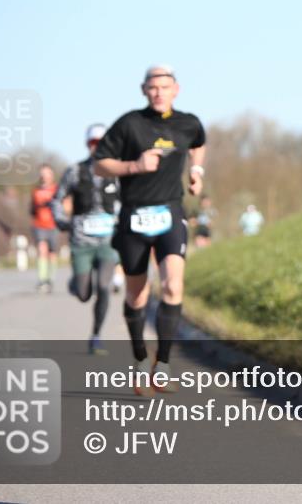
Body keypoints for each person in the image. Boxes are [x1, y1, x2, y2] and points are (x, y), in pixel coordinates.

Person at [94, 65, 206, 396]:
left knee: (173, 285)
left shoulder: (188, 123)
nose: (159, 92)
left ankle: (164, 365)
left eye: (165, 86)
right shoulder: (130, 124)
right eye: (153, 87)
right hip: (134, 217)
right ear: (144, 90)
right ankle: (141, 359)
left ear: (176, 89)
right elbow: (100, 164)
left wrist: (196, 171)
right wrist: (133, 166)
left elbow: (199, 142)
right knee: (137, 294)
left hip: (171, 212)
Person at [52, 123, 121, 356]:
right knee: (83, 295)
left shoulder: (117, 172)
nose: (97, 147)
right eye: (93, 143)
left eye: (102, 142)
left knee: (104, 286)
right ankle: (77, 281)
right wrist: (63, 222)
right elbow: (57, 199)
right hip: (81, 242)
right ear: (88, 144)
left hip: (108, 242)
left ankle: (96, 336)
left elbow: (130, 200)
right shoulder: (74, 171)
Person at [30, 164, 60, 293]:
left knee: (52, 253)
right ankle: (42, 279)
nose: (44, 177)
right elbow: (32, 209)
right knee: (42, 250)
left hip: (53, 225)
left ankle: (50, 279)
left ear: (51, 176)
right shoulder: (35, 191)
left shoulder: (57, 189)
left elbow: (63, 206)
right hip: (39, 225)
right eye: (42, 174)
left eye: (47, 174)